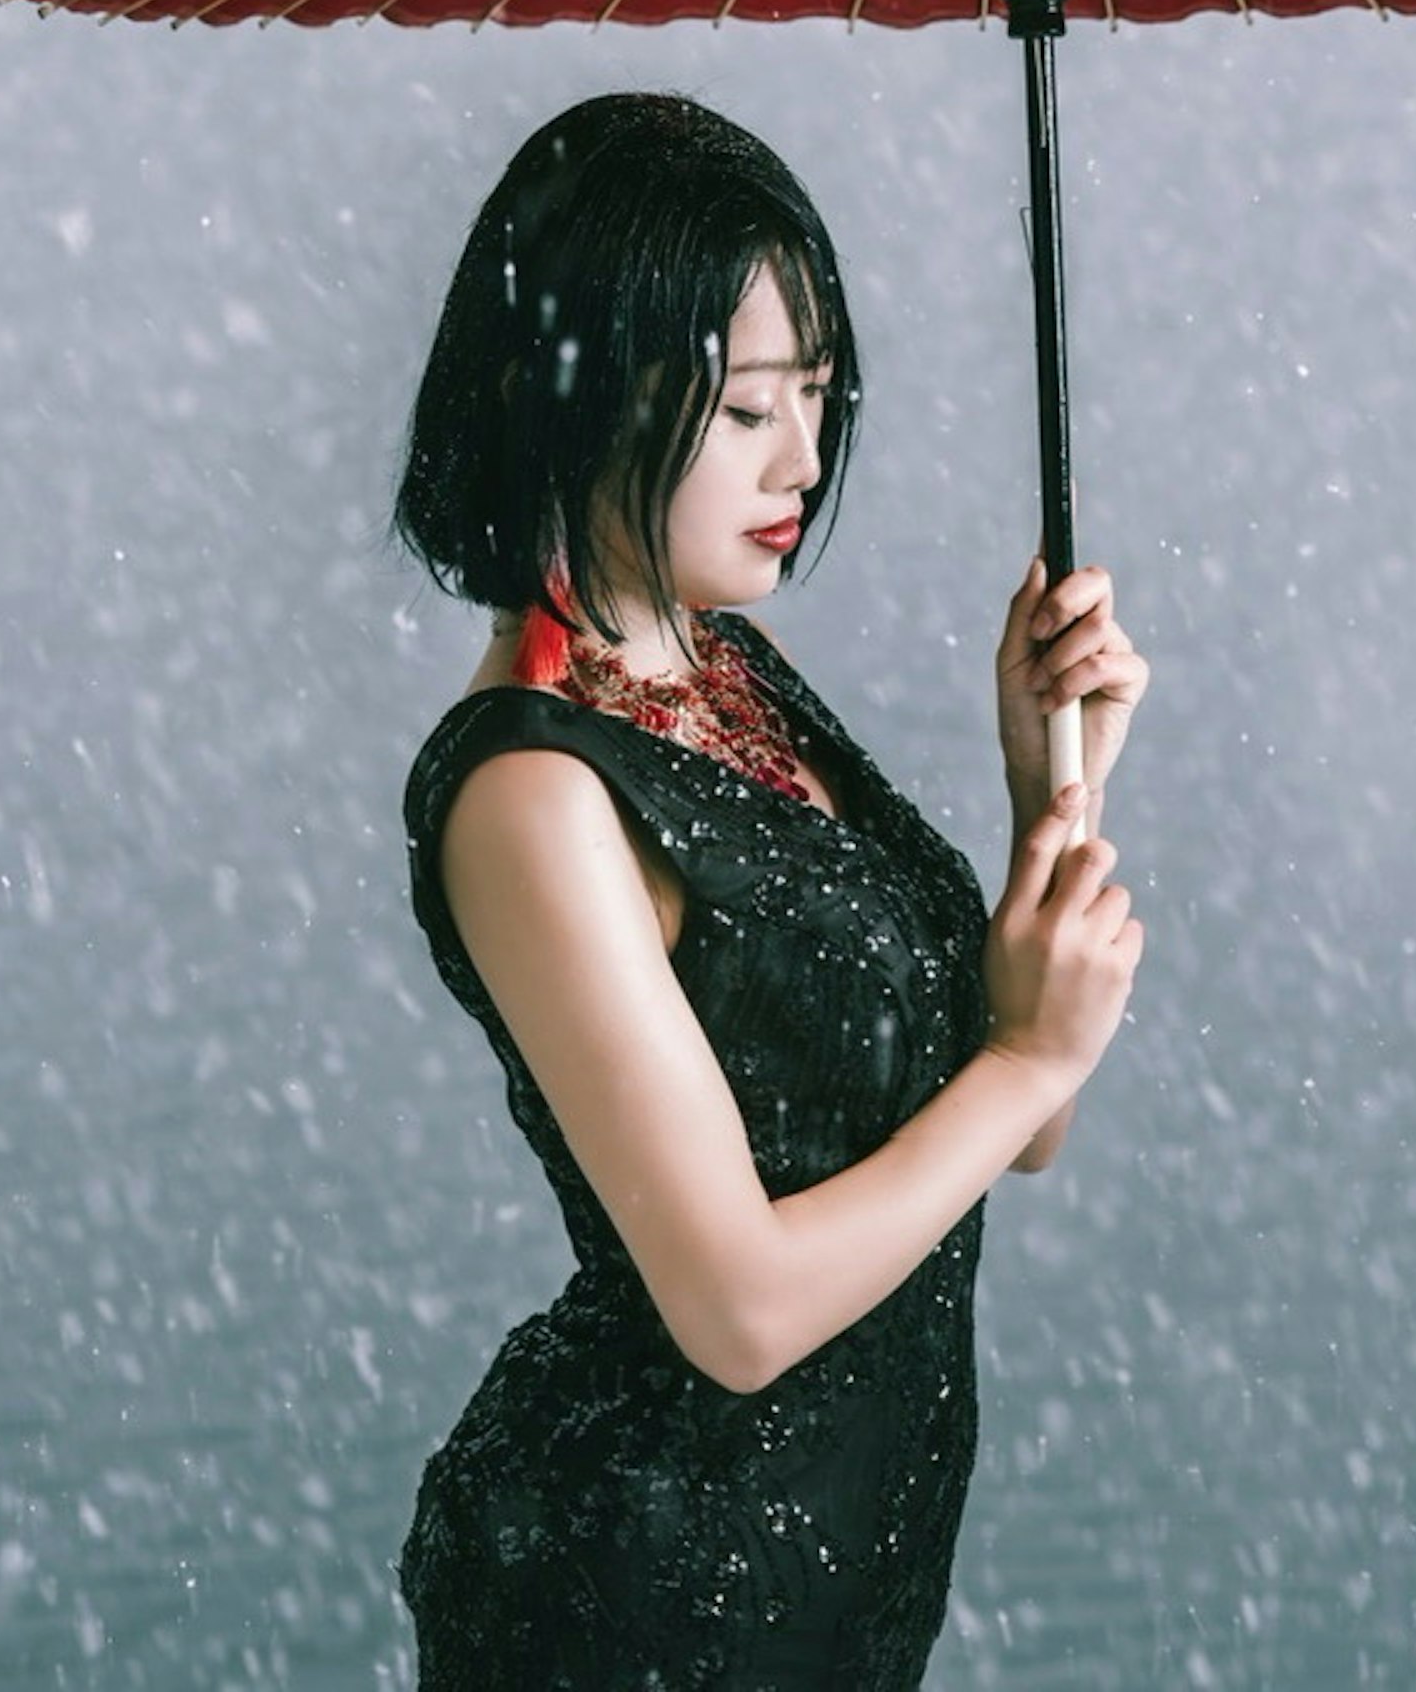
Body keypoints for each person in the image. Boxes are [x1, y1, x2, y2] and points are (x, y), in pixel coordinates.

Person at [392, 90, 1151, 1691]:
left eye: (817, 394)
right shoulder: (536, 792)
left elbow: (1021, 1127)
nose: (805, 457)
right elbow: (736, 1308)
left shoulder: (730, 673)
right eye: (747, 409)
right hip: (657, 1601)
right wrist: (1027, 1060)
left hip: (834, 1567)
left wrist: (1050, 782)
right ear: (574, 390)